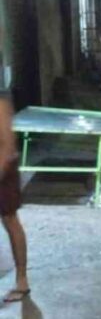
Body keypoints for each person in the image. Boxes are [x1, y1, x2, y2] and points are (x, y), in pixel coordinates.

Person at [0, 91, 29, 302]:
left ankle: (22, 280)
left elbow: (8, 145)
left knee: (10, 220)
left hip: (3, 171)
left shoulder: (1, 105)